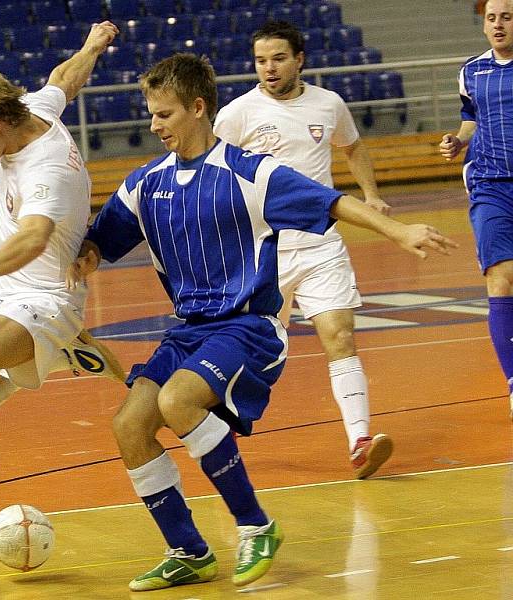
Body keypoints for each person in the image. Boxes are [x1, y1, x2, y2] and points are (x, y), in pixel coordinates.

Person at [67, 53, 456, 592]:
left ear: (198, 108)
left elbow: (333, 203)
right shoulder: (143, 185)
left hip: (246, 326)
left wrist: (399, 232)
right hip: (188, 331)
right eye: (151, 114)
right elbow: (95, 244)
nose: (153, 126)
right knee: (129, 426)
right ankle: (188, 551)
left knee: (177, 400)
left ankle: (255, 526)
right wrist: (74, 266)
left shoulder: (252, 174)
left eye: (164, 114)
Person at [0, 21, 122, 538]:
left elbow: (33, 238)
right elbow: (65, 78)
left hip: (47, 294)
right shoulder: (33, 110)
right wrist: (92, 46)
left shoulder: (47, 168)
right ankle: (60, 354)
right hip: (2, 290)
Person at [213, 20, 393, 479]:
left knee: (340, 336)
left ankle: (359, 441)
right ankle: (224, 424)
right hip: (261, 252)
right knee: (252, 351)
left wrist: (369, 193)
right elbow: (212, 171)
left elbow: (352, 148)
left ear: (299, 60)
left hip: (319, 243)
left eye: (278, 59)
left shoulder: (328, 104)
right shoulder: (237, 114)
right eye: (260, 60)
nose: (269, 68)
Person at [439, 0, 513, 420]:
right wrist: (458, 140)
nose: (498, 24)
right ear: (483, 25)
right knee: (501, 279)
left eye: (506, 16)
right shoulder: (472, 72)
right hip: (490, 184)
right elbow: (470, 118)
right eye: (492, 18)